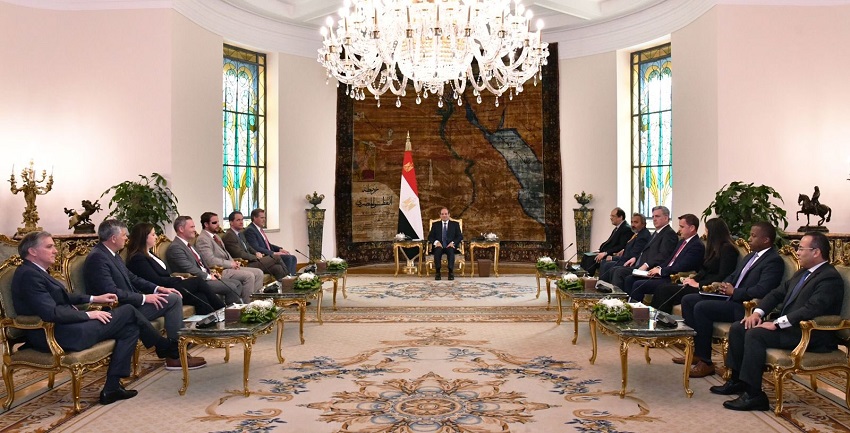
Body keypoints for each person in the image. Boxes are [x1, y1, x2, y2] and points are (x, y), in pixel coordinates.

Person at [12, 231, 181, 405]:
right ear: (32, 251)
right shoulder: (29, 275)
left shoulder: (37, 271)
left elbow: (64, 297)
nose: (55, 250)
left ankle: (112, 389)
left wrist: (94, 298)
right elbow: (51, 313)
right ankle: (164, 346)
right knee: (129, 311)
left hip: (68, 328)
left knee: (131, 329)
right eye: (49, 247)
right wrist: (88, 314)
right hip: (57, 335)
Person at [712, 232, 843, 411]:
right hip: (791, 327)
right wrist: (757, 313)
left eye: (801, 248)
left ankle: (754, 395)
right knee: (739, 327)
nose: (797, 252)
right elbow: (776, 294)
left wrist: (776, 323)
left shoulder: (829, 277)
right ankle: (737, 381)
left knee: (755, 335)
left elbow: (811, 309)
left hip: (810, 334)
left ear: (816, 252)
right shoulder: (803, 272)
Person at [83, 219, 206, 371]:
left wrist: (158, 289)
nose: (127, 238)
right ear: (113, 238)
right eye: (124, 235)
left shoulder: (112, 254)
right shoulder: (98, 258)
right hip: (116, 311)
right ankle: (175, 355)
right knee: (173, 300)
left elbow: (133, 278)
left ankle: (176, 350)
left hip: (130, 304)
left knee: (172, 298)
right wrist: (144, 298)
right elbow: (112, 292)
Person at [677, 222, 784, 378]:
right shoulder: (751, 256)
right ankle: (697, 352)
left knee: (702, 307)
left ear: (766, 240)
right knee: (688, 300)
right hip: (729, 297)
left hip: (744, 307)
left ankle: (706, 362)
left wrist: (735, 292)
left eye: (753, 236)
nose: (749, 239)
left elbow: (763, 290)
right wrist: (724, 284)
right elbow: (734, 275)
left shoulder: (773, 261)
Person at [125, 223, 225, 315]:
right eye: (153, 234)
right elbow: (155, 280)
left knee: (200, 296)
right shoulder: (138, 258)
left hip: (169, 285)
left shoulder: (149, 253)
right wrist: (178, 279)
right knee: (198, 281)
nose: (156, 237)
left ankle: (211, 323)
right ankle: (223, 310)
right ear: (143, 237)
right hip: (161, 290)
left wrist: (176, 278)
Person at [650, 217, 739, 313]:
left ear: (714, 233)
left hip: (709, 288)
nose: (705, 234)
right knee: (662, 287)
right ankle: (654, 317)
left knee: (665, 291)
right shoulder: (714, 248)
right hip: (701, 284)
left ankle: (660, 319)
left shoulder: (728, 249)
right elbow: (704, 270)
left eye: (707, 231)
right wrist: (693, 280)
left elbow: (723, 275)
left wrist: (698, 284)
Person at [621, 213, 705, 303]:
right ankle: (626, 306)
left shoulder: (696, 245)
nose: (679, 229)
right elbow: (670, 259)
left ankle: (638, 310)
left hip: (673, 277)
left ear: (692, 228)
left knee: (639, 284)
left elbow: (682, 266)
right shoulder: (682, 242)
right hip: (665, 273)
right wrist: (658, 268)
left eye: (682, 227)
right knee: (630, 279)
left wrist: (661, 271)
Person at [166, 216, 244, 304]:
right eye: (192, 227)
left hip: (206, 276)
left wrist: (211, 273)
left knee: (237, 283)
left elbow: (201, 264)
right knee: (232, 286)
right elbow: (189, 268)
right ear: (181, 229)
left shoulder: (189, 244)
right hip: (197, 281)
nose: (195, 230)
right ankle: (229, 311)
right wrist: (209, 276)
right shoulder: (176, 247)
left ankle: (235, 309)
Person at [195, 212, 264, 301]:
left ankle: (257, 302)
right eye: (214, 223)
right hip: (220, 270)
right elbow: (210, 261)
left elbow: (226, 253)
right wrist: (230, 264)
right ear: (206, 224)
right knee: (249, 276)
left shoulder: (216, 237)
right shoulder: (203, 239)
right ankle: (247, 305)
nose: (218, 225)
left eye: (218, 222)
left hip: (229, 267)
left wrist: (234, 262)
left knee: (258, 272)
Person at [607, 206, 678, 291]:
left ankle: (619, 297)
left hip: (651, 269)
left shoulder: (669, 234)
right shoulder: (657, 232)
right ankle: (612, 295)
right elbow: (645, 250)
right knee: (614, 269)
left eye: (657, 216)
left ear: (666, 218)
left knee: (619, 272)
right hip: (640, 264)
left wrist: (646, 265)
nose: (654, 219)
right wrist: (635, 258)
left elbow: (663, 255)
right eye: (653, 216)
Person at [222, 210, 288, 280]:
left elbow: (248, 247)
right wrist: (255, 257)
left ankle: (284, 285)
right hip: (245, 264)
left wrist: (256, 252)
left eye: (242, 219)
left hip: (252, 261)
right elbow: (239, 254)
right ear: (231, 222)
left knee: (277, 268)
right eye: (238, 220)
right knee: (276, 257)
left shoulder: (240, 233)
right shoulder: (229, 235)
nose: (241, 222)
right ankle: (289, 279)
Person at [580, 207, 633, 277]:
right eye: (611, 216)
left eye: (613, 216)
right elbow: (609, 242)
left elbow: (621, 246)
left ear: (620, 217)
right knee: (586, 255)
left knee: (591, 259)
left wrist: (605, 253)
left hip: (612, 255)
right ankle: (581, 277)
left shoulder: (626, 229)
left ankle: (587, 278)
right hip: (605, 252)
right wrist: (600, 250)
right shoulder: (618, 228)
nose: (611, 218)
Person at [598, 213, 651, 282]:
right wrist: (624, 250)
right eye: (632, 222)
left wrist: (613, 258)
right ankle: (602, 285)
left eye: (636, 222)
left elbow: (632, 255)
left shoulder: (643, 237)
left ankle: (605, 286)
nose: (633, 225)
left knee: (608, 265)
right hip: (625, 259)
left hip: (631, 263)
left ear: (643, 224)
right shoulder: (637, 234)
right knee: (604, 262)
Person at [243, 208, 297, 276]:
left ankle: (290, 278)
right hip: (264, 256)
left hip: (269, 254)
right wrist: (274, 253)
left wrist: (279, 249)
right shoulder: (250, 230)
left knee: (293, 258)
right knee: (288, 258)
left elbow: (267, 244)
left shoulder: (259, 229)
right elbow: (255, 247)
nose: (264, 220)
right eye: (262, 218)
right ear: (254, 218)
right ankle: (287, 279)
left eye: (264, 218)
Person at [427, 207, 463, 280]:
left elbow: (460, 236)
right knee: (437, 251)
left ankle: (450, 272)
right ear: (440, 215)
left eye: (446, 214)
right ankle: (438, 272)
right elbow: (430, 237)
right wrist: (436, 242)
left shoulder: (455, 224)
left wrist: (453, 243)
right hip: (439, 246)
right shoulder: (435, 225)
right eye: (442, 214)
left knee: (450, 251)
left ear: (449, 215)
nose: (444, 215)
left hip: (450, 246)